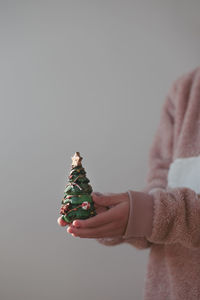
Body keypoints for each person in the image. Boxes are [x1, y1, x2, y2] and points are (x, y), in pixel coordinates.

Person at [58, 65, 200, 300]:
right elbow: (160, 189)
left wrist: (150, 213)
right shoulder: (185, 89)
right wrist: (125, 220)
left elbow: (160, 212)